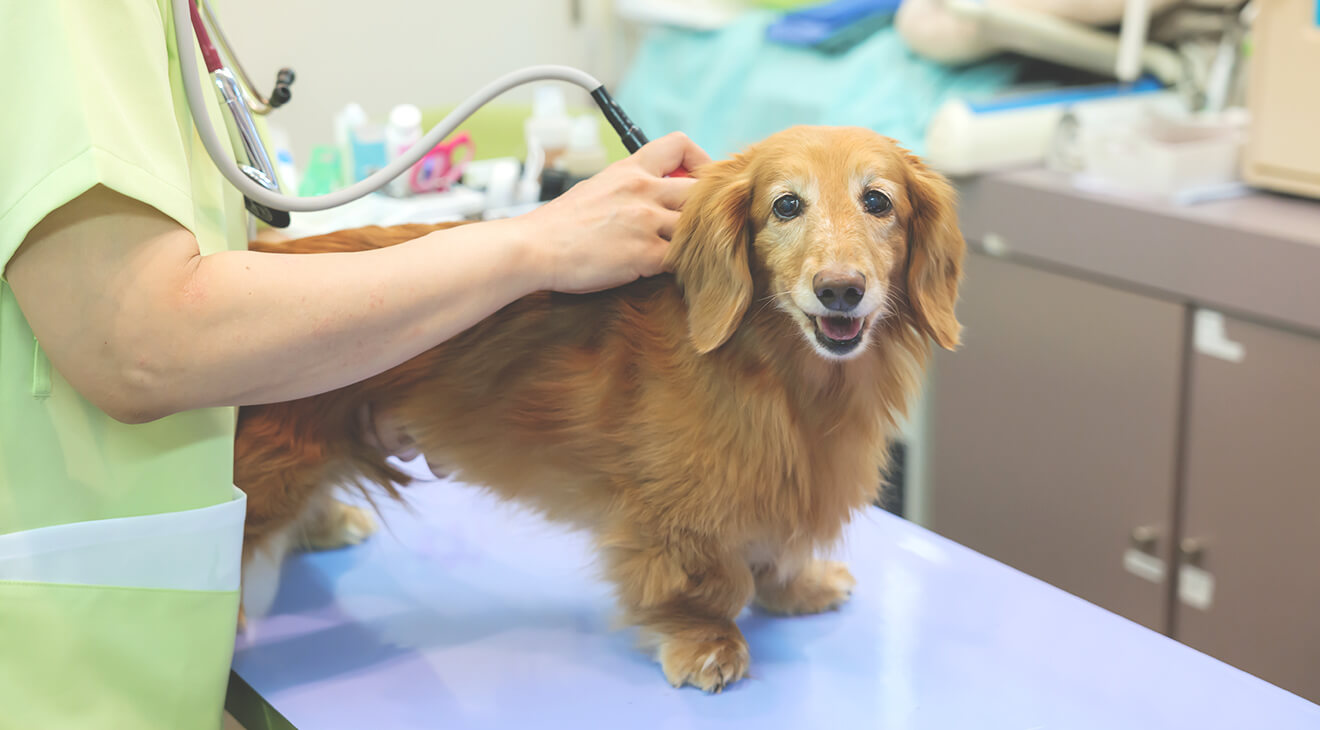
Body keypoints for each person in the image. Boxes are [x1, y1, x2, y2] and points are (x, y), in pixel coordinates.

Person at [0, 2, 710, 727]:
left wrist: (361, 362)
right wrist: (534, 248)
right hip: (54, 664)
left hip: (147, 633)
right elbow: (136, 337)